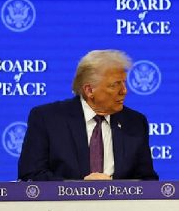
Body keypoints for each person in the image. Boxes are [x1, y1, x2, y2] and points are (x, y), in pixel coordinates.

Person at [18, 49, 158, 181]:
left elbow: (147, 180)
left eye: (124, 83)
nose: (124, 91)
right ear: (89, 90)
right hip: (63, 205)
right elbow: (31, 175)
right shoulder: (48, 119)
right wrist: (81, 188)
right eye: (115, 85)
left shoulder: (135, 122)